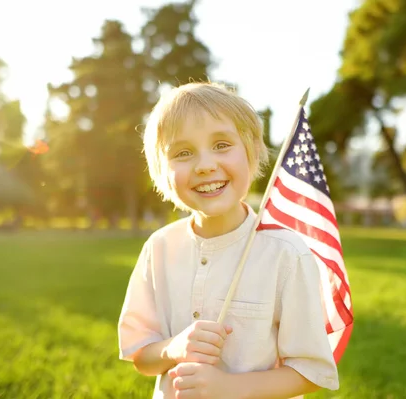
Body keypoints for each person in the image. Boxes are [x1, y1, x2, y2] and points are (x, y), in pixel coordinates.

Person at [118, 82, 339, 399]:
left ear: (250, 151)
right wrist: (174, 348)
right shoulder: (159, 247)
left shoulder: (286, 255)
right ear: (161, 171)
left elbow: (312, 372)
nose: (205, 165)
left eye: (221, 145)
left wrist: (228, 388)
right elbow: (142, 356)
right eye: (183, 153)